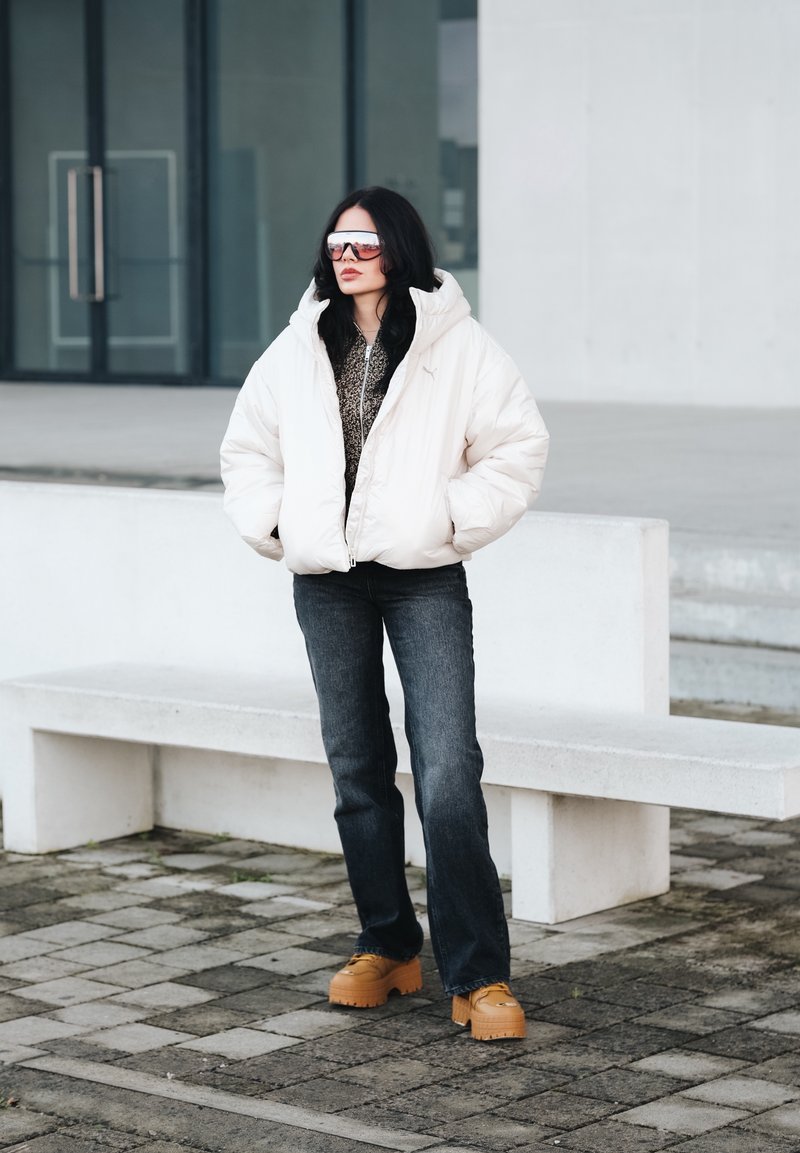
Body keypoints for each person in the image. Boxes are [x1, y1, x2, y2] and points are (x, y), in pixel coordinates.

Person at [220, 186, 549, 1042]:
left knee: (446, 772)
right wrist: (280, 524)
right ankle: (389, 946)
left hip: (422, 580)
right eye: (336, 240)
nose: (346, 253)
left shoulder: (456, 344)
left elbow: (517, 447)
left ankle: (478, 975)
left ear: (397, 247)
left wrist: (447, 520)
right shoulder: (298, 345)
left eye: (362, 240)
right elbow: (247, 447)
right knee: (358, 767)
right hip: (327, 580)